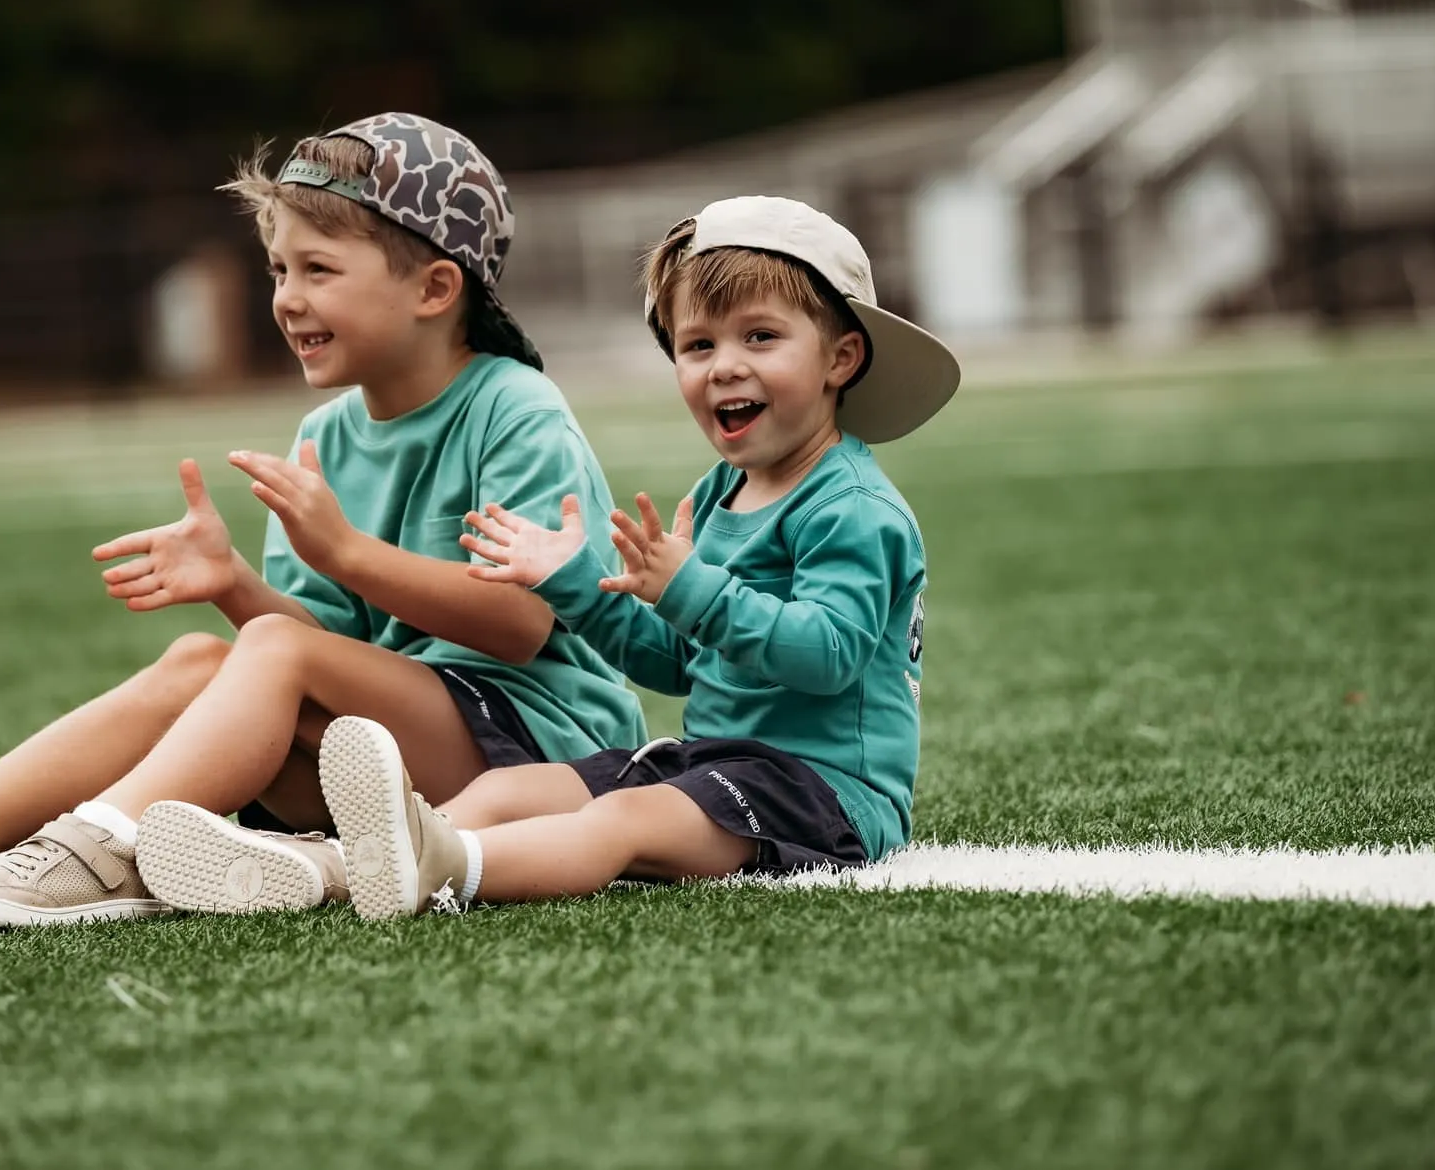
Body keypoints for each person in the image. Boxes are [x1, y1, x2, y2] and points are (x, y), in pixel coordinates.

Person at [0, 113, 645, 931]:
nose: (287, 299)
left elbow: (524, 624)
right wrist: (235, 586)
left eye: (319, 271)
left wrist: (346, 552)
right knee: (202, 656)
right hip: (387, 762)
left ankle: (104, 850)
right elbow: (323, 648)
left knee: (272, 651)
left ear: (435, 287)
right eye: (278, 271)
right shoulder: (326, 436)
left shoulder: (514, 407)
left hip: (541, 752)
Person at [286, 195, 960, 917]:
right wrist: (574, 584)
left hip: (824, 794)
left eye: (760, 337)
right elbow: (673, 662)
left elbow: (827, 655)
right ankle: (328, 865)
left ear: (841, 357)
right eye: (698, 346)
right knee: (510, 790)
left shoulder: (854, 508)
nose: (724, 367)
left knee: (622, 823)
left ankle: (447, 866)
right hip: (716, 763)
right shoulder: (719, 493)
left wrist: (690, 589)